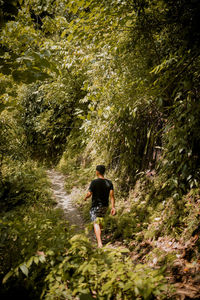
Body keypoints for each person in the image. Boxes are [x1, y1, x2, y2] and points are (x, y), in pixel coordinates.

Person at [84, 165, 116, 248]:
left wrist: (86, 197)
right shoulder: (109, 182)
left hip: (95, 206)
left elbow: (89, 193)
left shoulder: (94, 182)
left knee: (96, 223)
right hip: (105, 206)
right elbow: (112, 196)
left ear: (97, 171)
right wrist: (113, 207)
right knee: (100, 221)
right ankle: (100, 238)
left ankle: (99, 243)